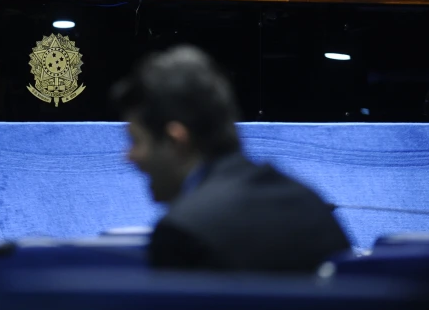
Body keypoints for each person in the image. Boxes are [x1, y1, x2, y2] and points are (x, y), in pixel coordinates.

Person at [111, 45, 350, 272]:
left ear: (176, 140)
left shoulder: (182, 233)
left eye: (136, 141)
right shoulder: (312, 206)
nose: (129, 157)